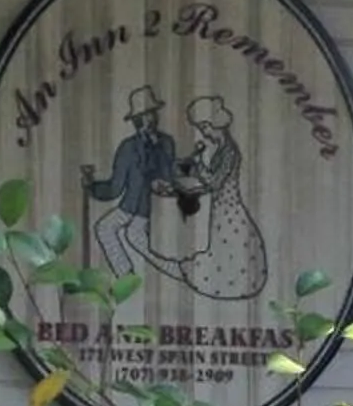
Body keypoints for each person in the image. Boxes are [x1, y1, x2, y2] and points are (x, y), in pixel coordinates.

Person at [150, 95, 268, 302]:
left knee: (227, 251)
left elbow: (214, 182)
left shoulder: (230, 152)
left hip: (229, 210)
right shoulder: (223, 150)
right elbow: (208, 184)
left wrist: (197, 167)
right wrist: (177, 187)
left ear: (210, 125)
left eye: (203, 128)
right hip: (221, 207)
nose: (204, 133)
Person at [85, 84, 179, 276]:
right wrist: (92, 186)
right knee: (105, 229)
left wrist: (156, 150)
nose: (150, 120)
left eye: (152, 114)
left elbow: (169, 177)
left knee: (137, 239)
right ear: (137, 121)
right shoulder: (127, 148)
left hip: (151, 210)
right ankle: (126, 274)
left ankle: (177, 271)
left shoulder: (166, 143)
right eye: (144, 116)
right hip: (128, 208)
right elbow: (115, 187)